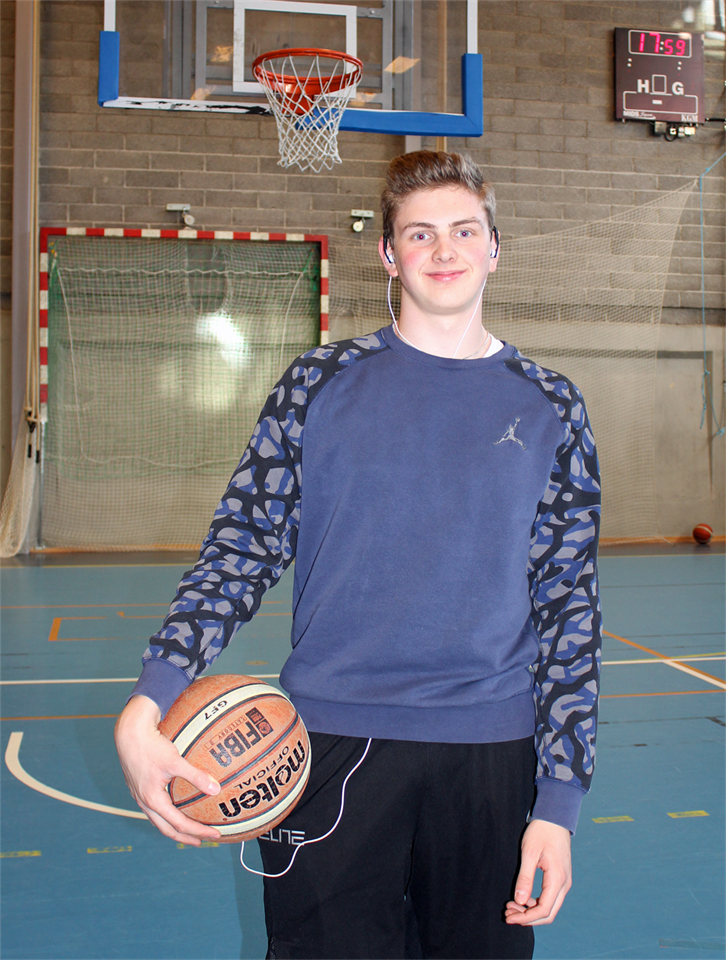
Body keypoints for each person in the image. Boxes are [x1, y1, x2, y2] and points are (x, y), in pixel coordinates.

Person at [115, 150, 601, 960]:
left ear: (494, 248)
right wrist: (149, 698)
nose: (443, 250)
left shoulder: (553, 404)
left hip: (490, 754)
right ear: (387, 254)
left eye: (464, 231)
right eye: (419, 233)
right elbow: (241, 547)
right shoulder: (317, 383)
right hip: (328, 744)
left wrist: (558, 803)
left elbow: (570, 607)